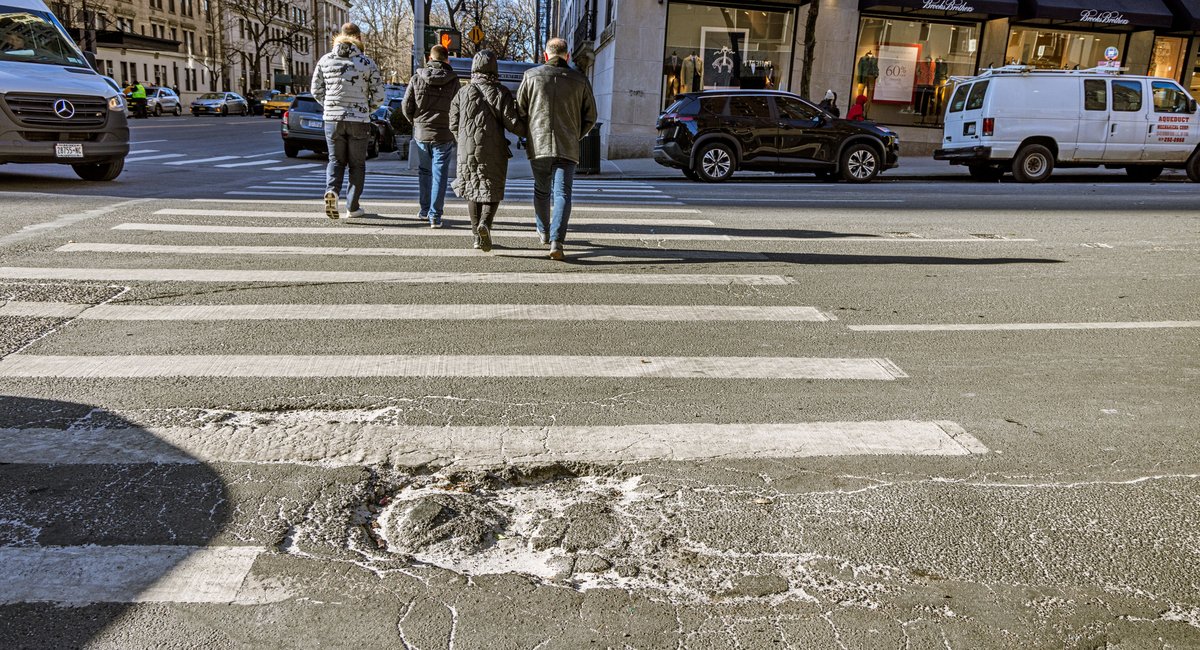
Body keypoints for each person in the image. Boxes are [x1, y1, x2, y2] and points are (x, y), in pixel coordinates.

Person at [516, 37, 597, 261]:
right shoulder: (579, 80)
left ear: (545, 56)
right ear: (567, 56)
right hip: (567, 146)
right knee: (562, 194)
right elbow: (591, 116)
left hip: (539, 144)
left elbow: (520, 111)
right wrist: (575, 135)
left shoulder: (531, 76)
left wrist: (528, 135)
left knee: (541, 191)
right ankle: (556, 240)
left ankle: (543, 231)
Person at [449, 50, 527, 252]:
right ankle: (485, 223)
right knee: (492, 189)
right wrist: (529, 130)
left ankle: (476, 235)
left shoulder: (462, 92)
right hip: (493, 150)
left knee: (472, 191)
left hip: (466, 151)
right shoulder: (500, 92)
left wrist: (463, 141)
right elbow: (512, 123)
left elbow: (453, 122)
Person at [311, 22, 384, 220]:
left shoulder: (325, 60)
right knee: (357, 165)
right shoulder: (366, 62)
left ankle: (332, 192)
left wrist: (330, 105)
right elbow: (379, 94)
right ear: (358, 38)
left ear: (339, 36)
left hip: (332, 120)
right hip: (359, 120)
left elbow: (315, 90)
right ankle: (352, 207)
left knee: (335, 160)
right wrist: (366, 109)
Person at [403, 44, 458, 228]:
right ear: (446, 59)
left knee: (424, 172)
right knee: (439, 175)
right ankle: (435, 216)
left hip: (421, 133)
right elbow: (459, 108)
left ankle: (424, 210)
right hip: (444, 134)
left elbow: (406, 106)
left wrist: (415, 122)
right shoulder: (453, 80)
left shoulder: (416, 77)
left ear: (429, 58)